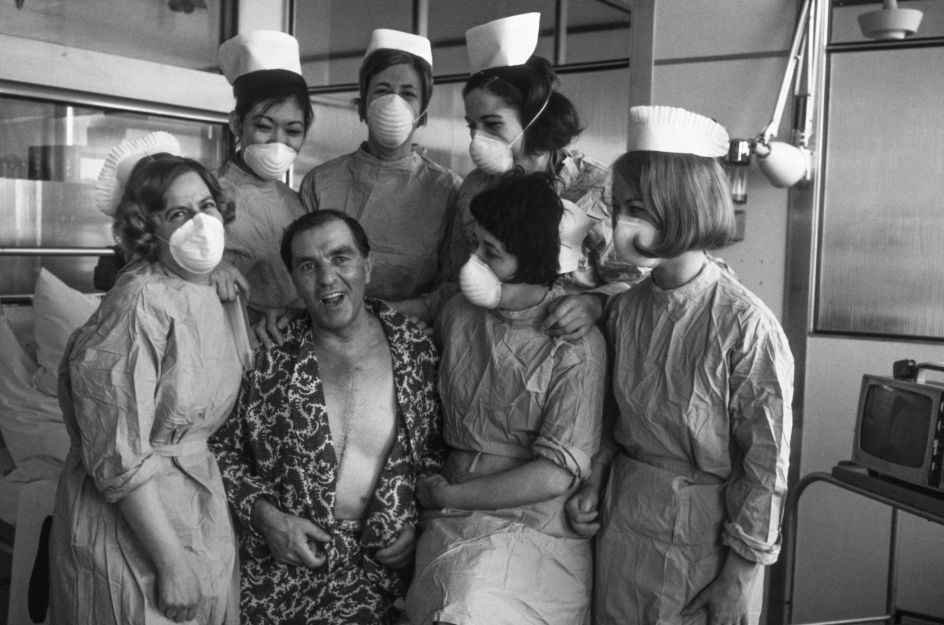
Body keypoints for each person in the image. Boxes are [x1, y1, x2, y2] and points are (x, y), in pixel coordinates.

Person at [569, 105, 794, 625]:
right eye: (620, 206)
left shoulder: (746, 328)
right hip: (624, 526)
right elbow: (610, 424)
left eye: (637, 208)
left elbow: (765, 473)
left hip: (705, 548)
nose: (621, 222)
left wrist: (737, 580)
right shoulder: (624, 310)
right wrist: (593, 482)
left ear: (681, 206)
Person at [209, 210, 445, 625]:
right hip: (281, 571)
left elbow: (434, 453)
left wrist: (417, 527)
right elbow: (219, 449)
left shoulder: (416, 350)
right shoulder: (268, 355)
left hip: (382, 575)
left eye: (341, 258)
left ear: (367, 265)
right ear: (293, 280)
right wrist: (267, 519)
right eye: (308, 266)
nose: (327, 278)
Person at [49, 139, 245, 625]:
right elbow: (118, 449)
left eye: (206, 207)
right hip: (137, 522)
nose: (201, 224)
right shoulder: (137, 304)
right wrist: (172, 563)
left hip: (196, 503)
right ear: (146, 228)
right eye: (178, 215)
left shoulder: (208, 289)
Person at [402, 173, 606, 625]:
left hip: (535, 527)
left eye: (490, 252)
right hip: (450, 517)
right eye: (474, 246)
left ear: (531, 258)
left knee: (471, 605)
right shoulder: (458, 313)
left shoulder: (574, 342)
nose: (473, 262)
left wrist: (454, 494)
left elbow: (555, 474)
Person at [440, 12, 644, 340]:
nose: (476, 139)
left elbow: (637, 281)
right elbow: (453, 276)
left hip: (565, 352)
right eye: (471, 126)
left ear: (534, 119)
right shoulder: (474, 188)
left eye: (492, 125)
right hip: (482, 344)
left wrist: (595, 303)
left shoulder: (595, 186)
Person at [295, 28, 461, 329]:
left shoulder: (446, 189)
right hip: (329, 331)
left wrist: (398, 313)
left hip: (413, 332)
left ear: (422, 113)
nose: (393, 102)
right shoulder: (321, 183)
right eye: (382, 91)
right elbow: (300, 270)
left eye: (408, 93)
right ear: (362, 106)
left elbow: (454, 284)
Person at [211, 30, 314, 325]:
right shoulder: (205, 192)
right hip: (232, 343)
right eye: (264, 126)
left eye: (293, 131)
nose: (277, 142)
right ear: (236, 123)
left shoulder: (297, 203)